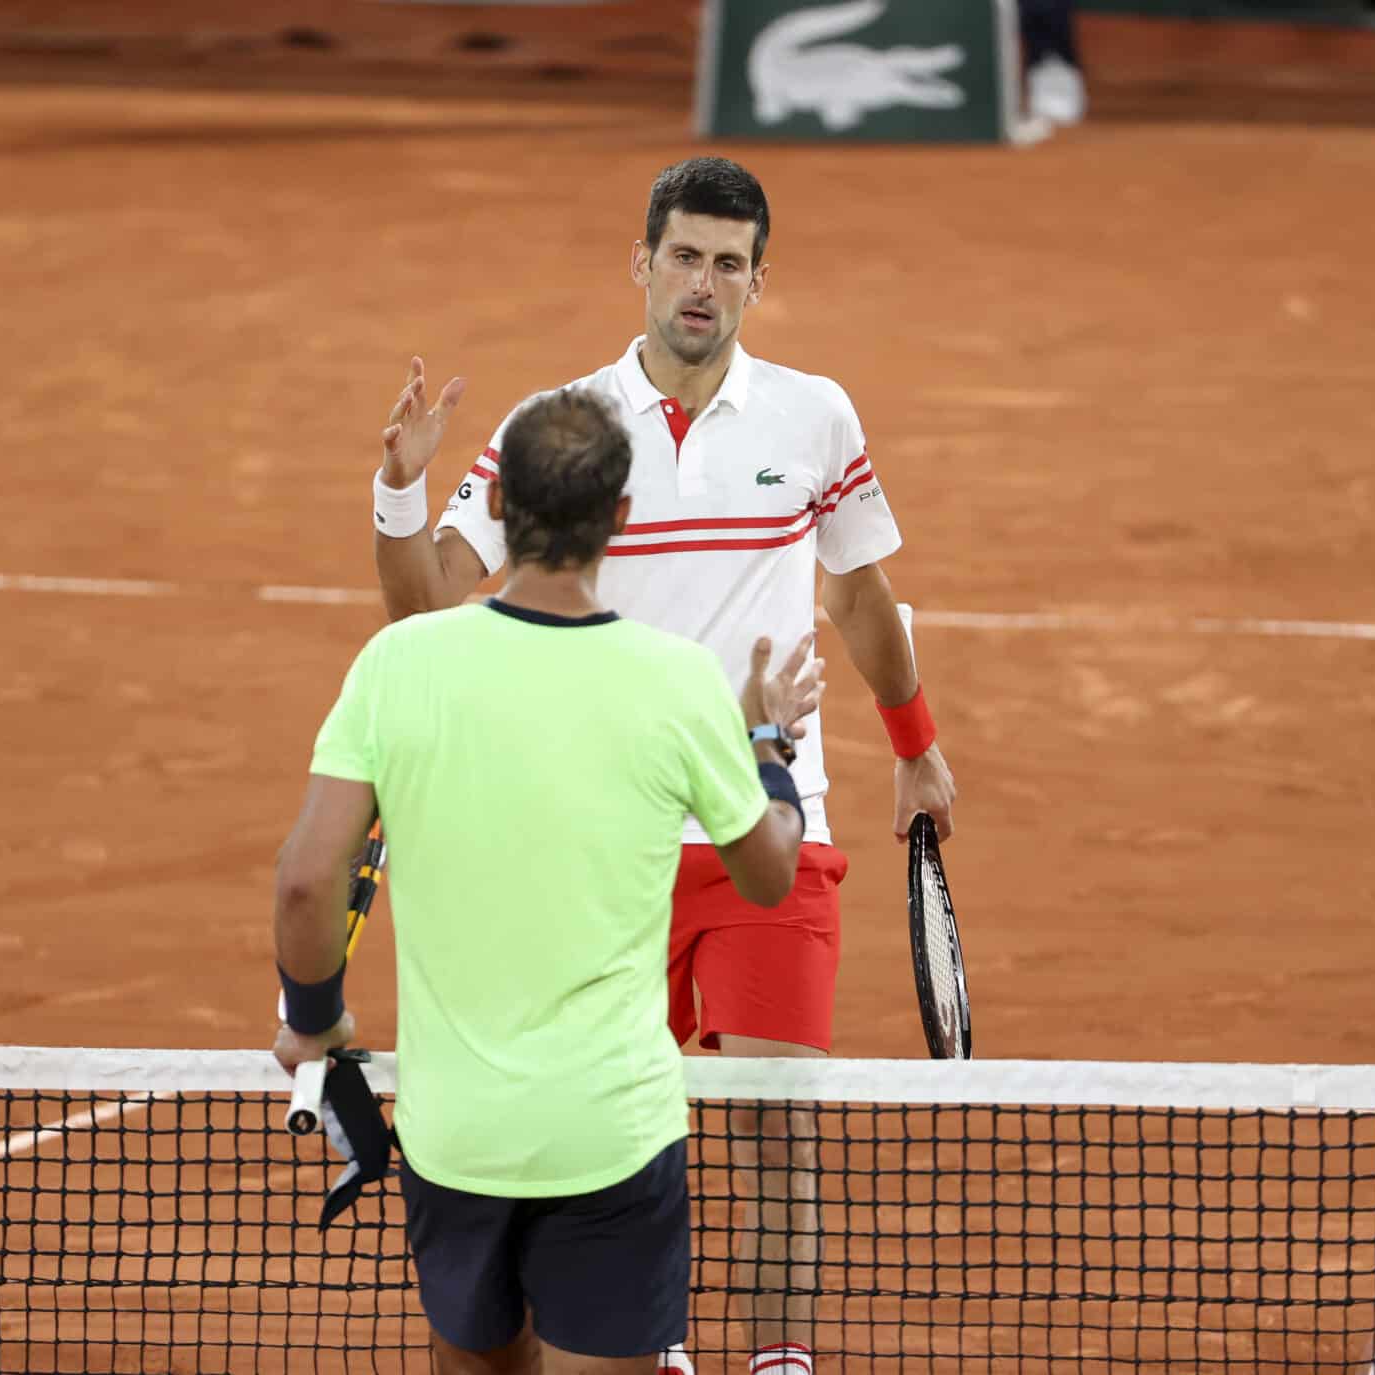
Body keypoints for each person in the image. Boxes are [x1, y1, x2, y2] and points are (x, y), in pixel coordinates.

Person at [365, 157, 956, 1375]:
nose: (703, 284)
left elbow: (855, 594)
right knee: (619, 1137)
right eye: (683, 256)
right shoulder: (558, 430)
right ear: (641, 265)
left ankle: (779, 1361)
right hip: (604, 850)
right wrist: (399, 488)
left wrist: (916, 746)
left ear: (756, 281)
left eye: (728, 263)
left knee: (778, 1127)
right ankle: (654, 1343)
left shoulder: (815, 418)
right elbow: (425, 604)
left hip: (766, 830)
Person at [273, 390, 825, 1375]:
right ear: (619, 517)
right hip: (609, 1137)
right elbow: (769, 869)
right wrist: (769, 748)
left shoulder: (398, 665)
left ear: (502, 510)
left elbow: (309, 886)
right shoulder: (677, 682)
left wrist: (313, 1017)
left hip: (456, 1137)